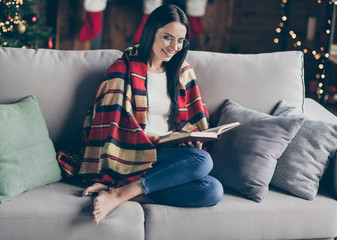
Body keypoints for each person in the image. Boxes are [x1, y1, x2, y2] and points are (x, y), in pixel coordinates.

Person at [59, 4, 223, 225]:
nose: (174, 46)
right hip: (131, 153)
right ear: (151, 32)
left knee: (212, 189)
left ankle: (122, 193)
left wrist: (186, 135)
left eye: (180, 40)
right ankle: (118, 194)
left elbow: (193, 120)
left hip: (166, 153)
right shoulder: (122, 69)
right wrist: (150, 139)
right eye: (167, 38)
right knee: (201, 161)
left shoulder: (183, 72)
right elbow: (109, 125)